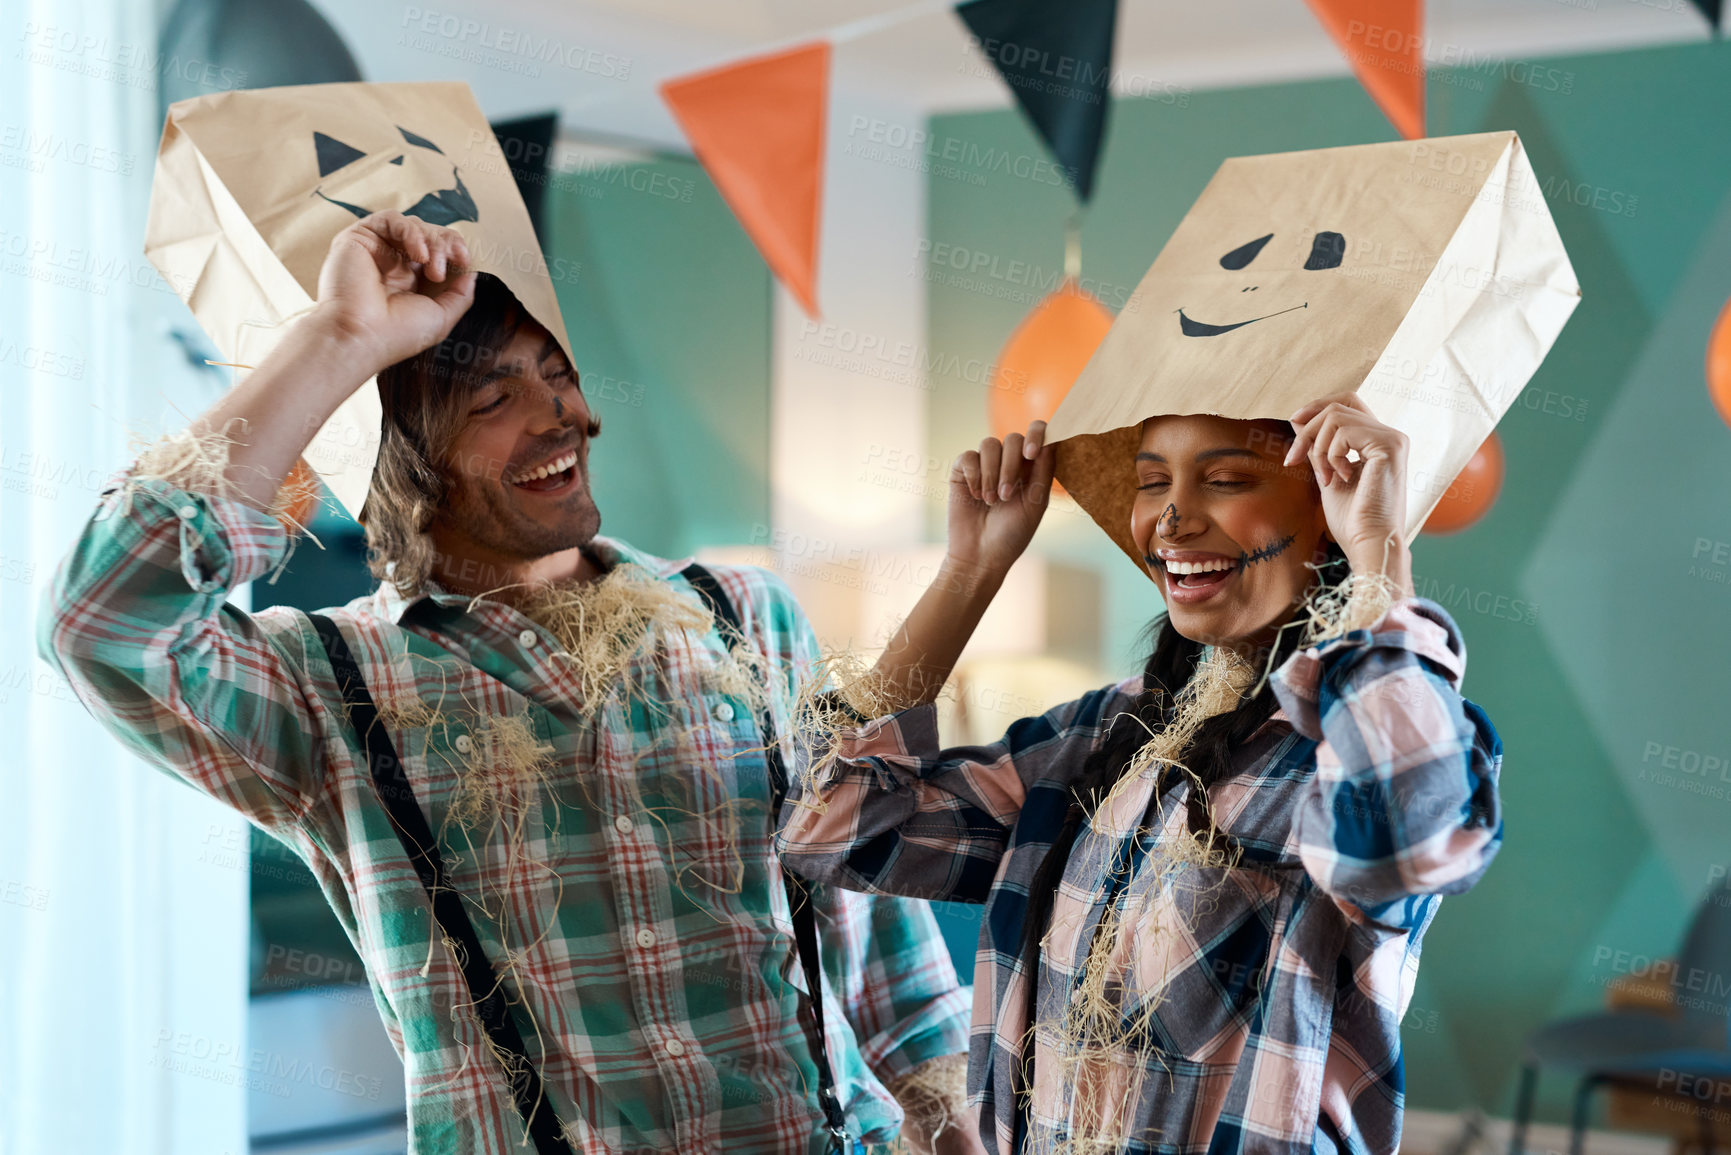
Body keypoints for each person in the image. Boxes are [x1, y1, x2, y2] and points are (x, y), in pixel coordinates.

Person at [40, 209, 982, 1155]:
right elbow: (101, 622)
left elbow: (872, 937)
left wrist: (951, 1126)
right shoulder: (324, 686)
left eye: (558, 376)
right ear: (404, 463)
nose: (562, 414)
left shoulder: (742, 612)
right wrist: (342, 340)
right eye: (494, 400)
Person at [776, 404, 1504, 1155]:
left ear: (1328, 507)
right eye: (1151, 481)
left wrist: (1378, 561)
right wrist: (970, 570)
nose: (1172, 517)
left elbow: (1401, 838)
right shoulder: (1103, 733)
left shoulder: (1361, 746)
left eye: (1223, 478)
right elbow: (831, 824)